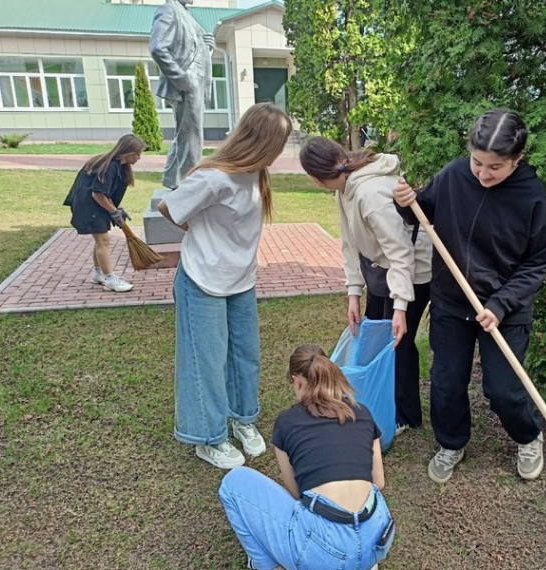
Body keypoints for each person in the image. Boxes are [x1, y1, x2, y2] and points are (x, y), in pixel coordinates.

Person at [392, 109, 546, 483]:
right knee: (446, 381)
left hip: (505, 308)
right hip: (452, 301)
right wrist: (406, 202)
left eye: (495, 167)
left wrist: (500, 304)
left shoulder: (533, 198)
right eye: (477, 162)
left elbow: (537, 262)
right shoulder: (454, 175)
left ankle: (529, 437)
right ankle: (451, 443)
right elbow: (421, 213)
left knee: (503, 389)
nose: (482, 173)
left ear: (517, 160)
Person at [157, 102, 293, 468]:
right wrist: (200, 233)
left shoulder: (256, 173)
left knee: (245, 355)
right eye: (279, 143)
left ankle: (242, 418)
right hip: (202, 281)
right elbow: (169, 207)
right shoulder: (214, 177)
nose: (281, 152)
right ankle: (208, 437)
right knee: (207, 362)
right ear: (260, 140)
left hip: (240, 281)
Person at [219, 344, 395, 570]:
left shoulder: (286, 423)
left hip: (327, 550)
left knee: (233, 482)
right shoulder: (361, 412)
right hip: (377, 538)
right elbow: (378, 482)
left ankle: (265, 565)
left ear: (298, 381)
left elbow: (296, 494)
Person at [299, 137, 432, 436]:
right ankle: (379, 396)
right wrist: (353, 294)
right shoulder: (343, 187)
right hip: (379, 267)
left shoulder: (368, 194)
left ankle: (404, 415)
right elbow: (349, 245)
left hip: (412, 269)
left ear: (316, 178)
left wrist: (400, 308)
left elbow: (401, 254)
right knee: (375, 332)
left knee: (399, 340)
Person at [63, 134, 146, 293]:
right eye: (137, 153)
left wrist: (117, 208)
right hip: (89, 205)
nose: (139, 157)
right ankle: (109, 279)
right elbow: (97, 194)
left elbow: (107, 192)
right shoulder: (109, 166)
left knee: (101, 238)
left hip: (95, 204)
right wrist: (113, 211)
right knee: (103, 240)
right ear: (126, 151)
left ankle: (98, 273)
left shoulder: (119, 165)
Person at [150, 0, 214, 190]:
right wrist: (181, 79)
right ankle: (190, 186)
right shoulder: (168, 10)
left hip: (196, 82)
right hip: (188, 83)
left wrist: (207, 45)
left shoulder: (185, 13)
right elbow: (157, 47)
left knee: (184, 136)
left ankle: (172, 179)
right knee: (192, 137)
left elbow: (192, 48)